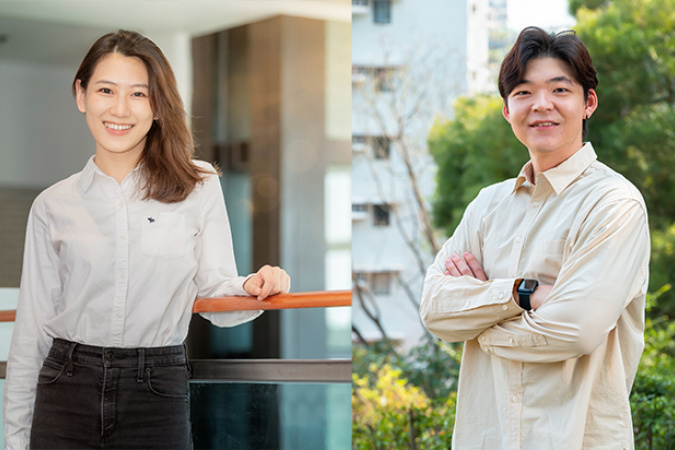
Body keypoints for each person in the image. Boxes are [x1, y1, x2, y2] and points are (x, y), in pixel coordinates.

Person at [3, 30, 290, 449]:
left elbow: (216, 293)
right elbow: (31, 332)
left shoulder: (199, 185)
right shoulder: (52, 205)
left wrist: (251, 288)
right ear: (81, 95)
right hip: (65, 388)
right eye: (105, 90)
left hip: (156, 391)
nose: (120, 109)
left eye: (139, 94)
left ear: (158, 106)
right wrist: (14, 441)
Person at [420, 26, 649, 449]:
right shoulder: (487, 207)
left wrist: (480, 322)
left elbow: (575, 330)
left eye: (559, 89)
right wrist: (523, 294)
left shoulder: (614, 203)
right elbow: (435, 310)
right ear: (507, 110)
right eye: (523, 92)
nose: (541, 105)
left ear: (588, 103)